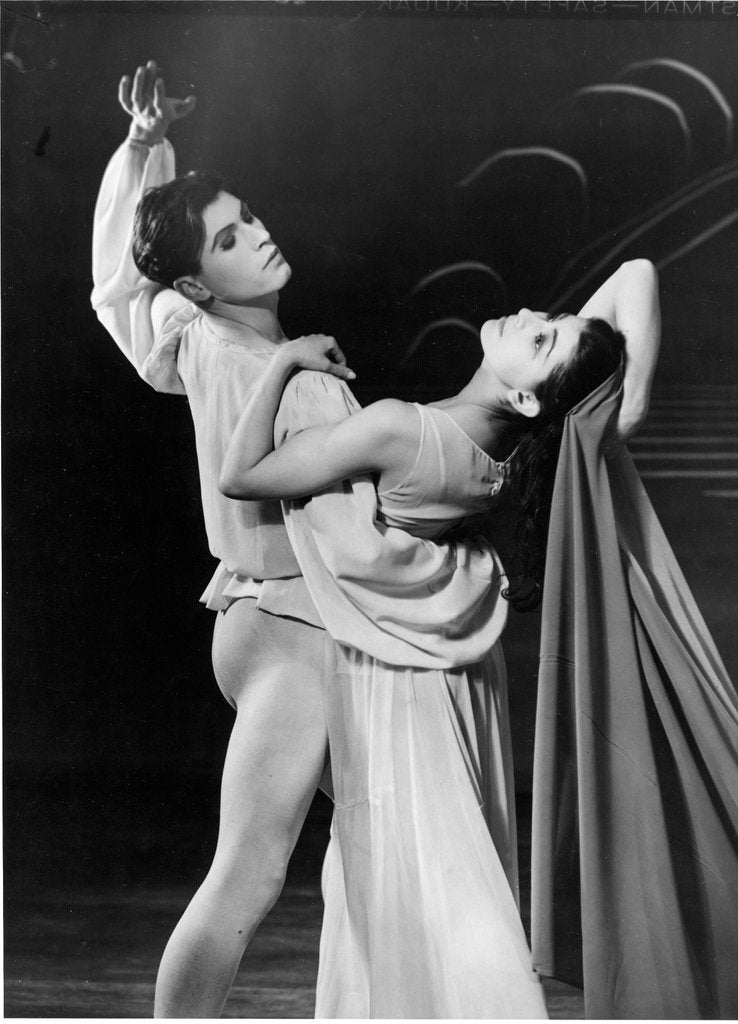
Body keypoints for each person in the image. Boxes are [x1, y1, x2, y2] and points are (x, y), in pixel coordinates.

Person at [93, 60, 563, 1018]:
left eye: (250, 217)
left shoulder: (191, 337)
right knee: (252, 875)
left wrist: (145, 150)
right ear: (197, 277)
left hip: (268, 623)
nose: (257, 238)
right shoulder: (277, 372)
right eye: (228, 239)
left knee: (396, 843)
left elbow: (120, 291)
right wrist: (469, 556)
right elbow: (362, 538)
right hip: (293, 634)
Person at [220, 262, 658, 1016]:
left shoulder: (399, 428)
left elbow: (242, 475)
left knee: (408, 876)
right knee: (453, 870)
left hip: (396, 680)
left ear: (527, 394)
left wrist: (287, 360)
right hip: (461, 677)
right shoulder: (525, 454)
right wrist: (626, 403)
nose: (526, 311)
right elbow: (629, 287)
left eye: (541, 334)